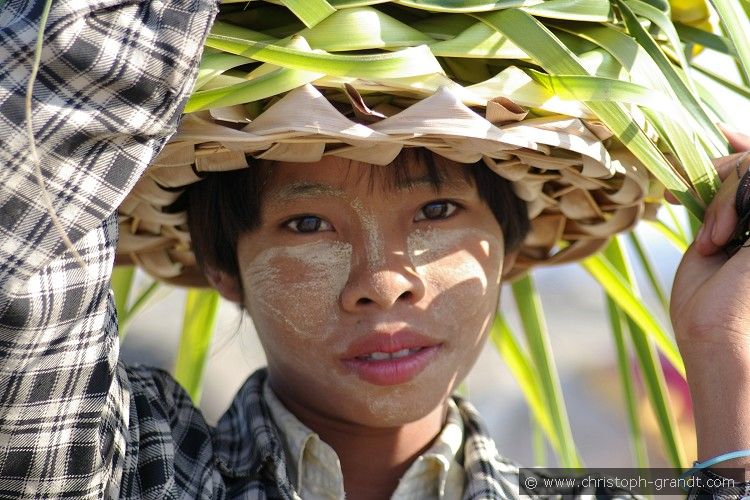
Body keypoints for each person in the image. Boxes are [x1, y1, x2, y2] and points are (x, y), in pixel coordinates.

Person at [1, 1, 748, 499]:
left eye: (436, 209)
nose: (385, 282)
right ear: (223, 265)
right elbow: (27, 197)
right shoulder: (138, 470)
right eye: (307, 226)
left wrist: (724, 353)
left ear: (510, 246)